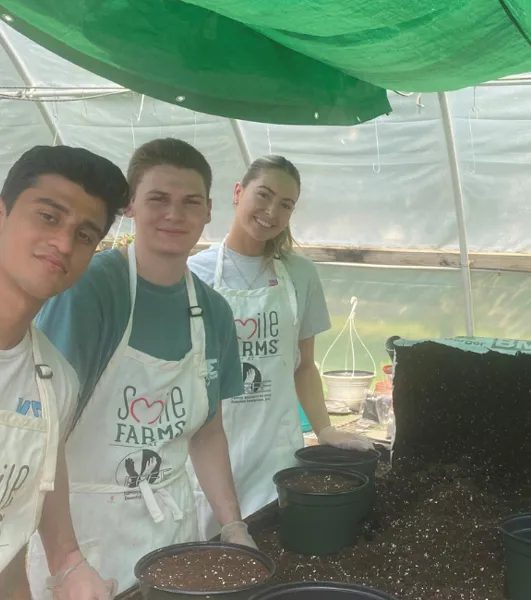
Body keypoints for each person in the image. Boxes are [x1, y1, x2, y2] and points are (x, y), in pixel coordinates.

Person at [28, 138, 256, 596]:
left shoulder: (211, 311)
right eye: (158, 199)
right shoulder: (90, 291)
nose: (175, 215)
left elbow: (208, 431)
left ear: (209, 210)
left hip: (171, 533)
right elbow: (41, 431)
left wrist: (232, 525)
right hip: (83, 532)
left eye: (190, 202)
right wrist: (67, 561)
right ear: (130, 206)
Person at [188, 155, 372, 539]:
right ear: (238, 193)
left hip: (276, 448)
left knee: (273, 548)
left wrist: (324, 429)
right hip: (208, 447)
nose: (272, 212)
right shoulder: (194, 274)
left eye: (286, 204)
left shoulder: (300, 274)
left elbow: (304, 365)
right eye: (264, 195)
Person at [0, 146, 127, 599]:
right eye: (48, 217)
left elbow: (10, 550)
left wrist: (71, 566)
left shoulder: (52, 379)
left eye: (85, 233)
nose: (64, 243)